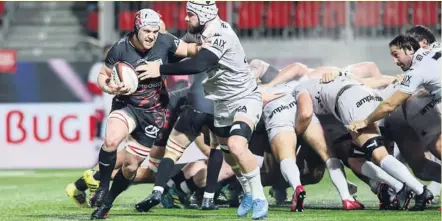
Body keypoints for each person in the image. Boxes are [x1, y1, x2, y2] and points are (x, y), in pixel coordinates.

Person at [134, 1, 269, 219]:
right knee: (230, 157)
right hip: (222, 102)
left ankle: (259, 198)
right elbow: (178, 48)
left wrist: (158, 69)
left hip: (245, 97)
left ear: (203, 15)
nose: (186, 19)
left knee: (236, 145)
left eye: (190, 15)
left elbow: (198, 64)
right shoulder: (201, 30)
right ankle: (247, 193)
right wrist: (158, 37)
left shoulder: (220, 34)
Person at [89, 9, 199, 219]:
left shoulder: (166, 41)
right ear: (137, 29)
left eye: (155, 31)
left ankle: (107, 203)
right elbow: (103, 75)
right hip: (126, 105)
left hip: (153, 113)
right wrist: (109, 87)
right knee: (111, 141)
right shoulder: (120, 49)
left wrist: (212, 47)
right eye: (147, 31)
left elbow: (192, 50)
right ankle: (102, 186)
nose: (151, 36)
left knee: (131, 167)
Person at [348, 34, 440, 210]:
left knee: (435, 148)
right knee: (425, 162)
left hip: (407, 119)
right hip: (420, 115)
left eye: (396, 54)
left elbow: (389, 105)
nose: (394, 61)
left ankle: (412, 190)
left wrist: (365, 121)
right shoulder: (435, 50)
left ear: (410, 49)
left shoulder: (416, 72)